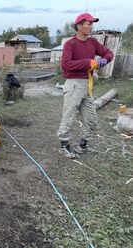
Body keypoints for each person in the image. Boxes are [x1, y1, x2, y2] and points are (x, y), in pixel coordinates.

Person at [57, 13, 114, 159]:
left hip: (86, 85)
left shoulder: (93, 42)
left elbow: (108, 53)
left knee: (92, 118)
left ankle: (82, 146)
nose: (91, 26)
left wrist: (104, 61)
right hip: (74, 84)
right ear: (79, 26)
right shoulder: (70, 44)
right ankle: (64, 146)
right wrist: (88, 62)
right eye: (88, 23)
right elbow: (65, 65)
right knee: (69, 116)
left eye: (91, 24)